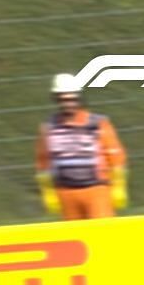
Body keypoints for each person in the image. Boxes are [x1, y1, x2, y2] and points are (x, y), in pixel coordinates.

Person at [36, 73, 127, 220]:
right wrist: (48, 191)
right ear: (56, 99)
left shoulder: (97, 124)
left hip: (97, 190)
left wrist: (118, 186)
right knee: (74, 236)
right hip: (66, 191)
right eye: (63, 99)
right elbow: (43, 161)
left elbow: (116, 156)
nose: (68, 103)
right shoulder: (49, 128)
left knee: (102, 233)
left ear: (79, 98)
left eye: (72, 98)